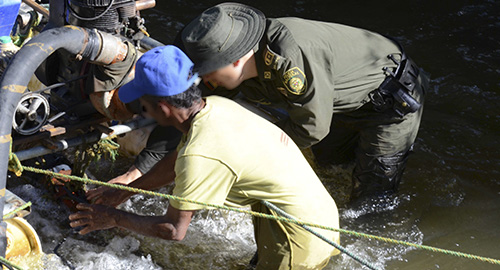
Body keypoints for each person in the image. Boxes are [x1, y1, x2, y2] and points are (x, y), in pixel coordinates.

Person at [69, 45, 341, 269]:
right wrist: (125, 191)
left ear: (163, 108)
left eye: (144, 104)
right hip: (320, 217)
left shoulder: (199, 152)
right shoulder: (218, 108)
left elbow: (173, 230)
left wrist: (113, 218)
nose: (142, 111)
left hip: (298, 240)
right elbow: (177, 160)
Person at [179, 2, 430, 201]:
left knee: (371, 198)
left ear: (235, 60)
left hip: (391, 105)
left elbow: (312, 127)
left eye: (207, 70)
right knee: (331, 167)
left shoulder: (288, 56)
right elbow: (199, 112)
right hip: (336, 103)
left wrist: (255, 159)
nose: (204, 78)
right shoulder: (239, 65)